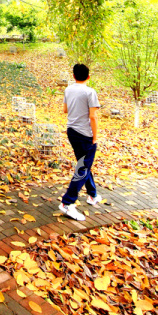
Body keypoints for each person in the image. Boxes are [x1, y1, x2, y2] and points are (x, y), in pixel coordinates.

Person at [59, 63, 102, 221]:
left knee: (83, 164)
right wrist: (95, 137)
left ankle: (93, 195)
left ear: (74, 76)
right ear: (88, 77)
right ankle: (67, 202)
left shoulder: (68, 89)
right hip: (85, 135)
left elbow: (65, 110)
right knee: (83, 168)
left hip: (71, 131)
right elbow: (93, 116)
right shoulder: (90, 92)